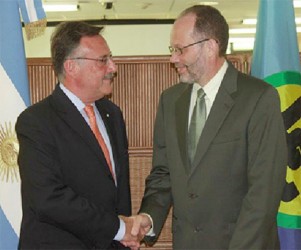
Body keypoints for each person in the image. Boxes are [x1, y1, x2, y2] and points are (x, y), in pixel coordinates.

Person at [132, 5, 288, 249]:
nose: (173, 58)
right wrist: (148, 217)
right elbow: (163, 174)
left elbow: (264, 193)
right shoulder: (170, 101)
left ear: (211, 46)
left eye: (180, 50)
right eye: (173, 50)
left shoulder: (259, 98)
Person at [16, 21, 139, 249]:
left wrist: (125, 234)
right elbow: (48, 199)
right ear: (71, 67)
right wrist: (118, 229)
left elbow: (118, 191)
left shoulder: (113, 114)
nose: (113, 67)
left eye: (110, 58)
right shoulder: (36, 122)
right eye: (103, 60)